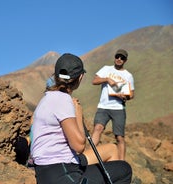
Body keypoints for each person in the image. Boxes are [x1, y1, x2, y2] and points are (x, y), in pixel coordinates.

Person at [30, 53, 132, 184]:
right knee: (124, 171)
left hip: (51, 167)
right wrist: (78, 113)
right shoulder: (63, 99)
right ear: (80, 78)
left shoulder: (47, 97)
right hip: (62, 172)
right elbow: (78, 145)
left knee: (115, 154)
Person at [91, 49, 135, 160]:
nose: (119, 59)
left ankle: (121, 163)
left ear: (125, 60)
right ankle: (90, 155)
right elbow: (94, 80)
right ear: (115, 57)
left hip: (118, 108)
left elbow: (132, 94)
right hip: (103, 106)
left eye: (122, 58)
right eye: (117, 57)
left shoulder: (128, 75)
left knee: (119, 137)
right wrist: (107, 79)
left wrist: (125, 96)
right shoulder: (106, 69)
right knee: (98, 128)